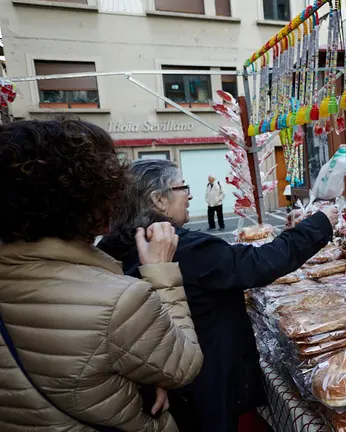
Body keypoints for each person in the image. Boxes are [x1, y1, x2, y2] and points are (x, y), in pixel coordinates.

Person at [98, 159, 338, 432]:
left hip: (174, 379)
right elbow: (258, 263)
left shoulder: (124, 242)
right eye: (182, 187)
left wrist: (292, 232)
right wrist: (319, 224)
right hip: (204, 383)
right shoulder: (183, 248)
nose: (189, 194)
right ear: (158, 199)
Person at [0, 119, 203, 431]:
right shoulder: (120, 299)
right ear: (86, 198)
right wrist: (161, 274)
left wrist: (136, 379)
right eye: (111, 189)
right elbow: (182, 366)